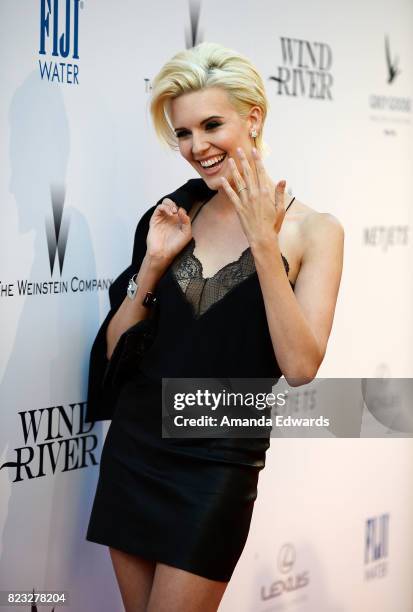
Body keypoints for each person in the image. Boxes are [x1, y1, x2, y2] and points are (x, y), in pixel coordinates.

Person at [85, 42, 344, 612]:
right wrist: (153, 264)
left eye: (211, 124)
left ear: (252, 117)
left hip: (215, 463)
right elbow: (115, 349)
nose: (196, 147)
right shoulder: (173, 212)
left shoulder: (315, 231)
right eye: (182, 133)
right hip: (136, 445)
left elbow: (300, 366)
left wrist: (264, 241)